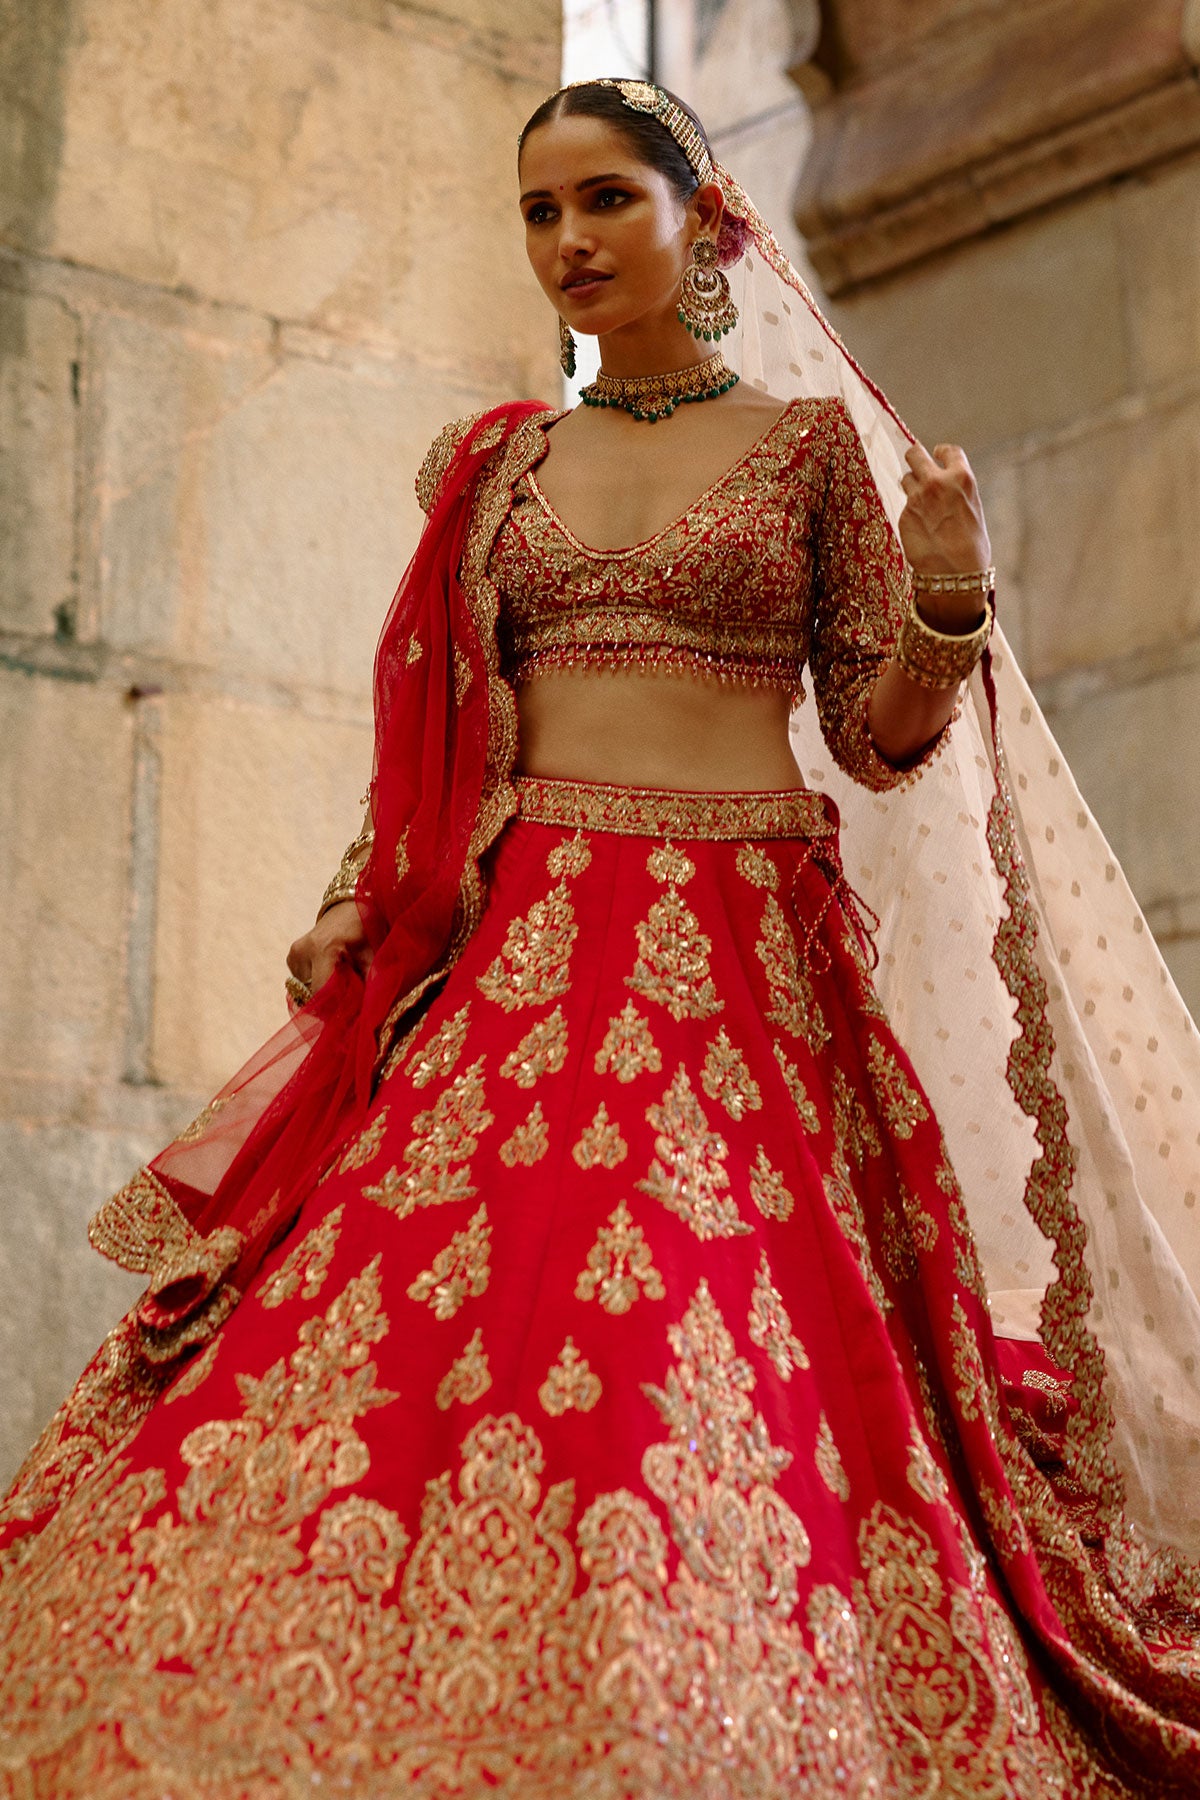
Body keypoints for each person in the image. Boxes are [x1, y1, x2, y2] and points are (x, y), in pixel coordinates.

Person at [1, 76, 1198, 1797]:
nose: (568, 242)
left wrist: (942, 605)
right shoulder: (498, 462)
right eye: (540, 212)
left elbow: (878, 736)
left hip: (743, 962)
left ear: (702, 220)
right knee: (436, 1328)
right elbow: (441, 738)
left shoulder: (803, 456)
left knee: (700, 1345)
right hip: (527, 951)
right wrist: (357, 903)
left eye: (604, 203)